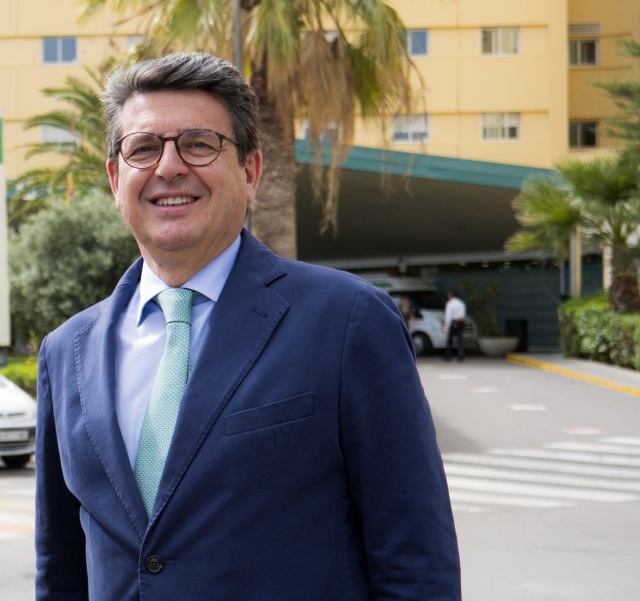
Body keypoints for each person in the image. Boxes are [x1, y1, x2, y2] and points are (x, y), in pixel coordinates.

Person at [34, 52, 459, 599]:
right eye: (143, 148)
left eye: (199, 144)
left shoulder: (348, 320)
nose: (168, 167)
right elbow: (60, 565)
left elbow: (414, 557)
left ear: (251, 171)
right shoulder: (66, 350)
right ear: (117, 179)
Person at [444, 289, 468, 362]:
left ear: (451, 295)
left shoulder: (450, 304)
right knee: (460, 340)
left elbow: (448, 316)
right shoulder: (461, 303)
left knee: (450, 341)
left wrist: (446, 326)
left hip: (453, 323)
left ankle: (448, 356)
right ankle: (461, 356)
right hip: (460, 322)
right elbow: (463, 314)